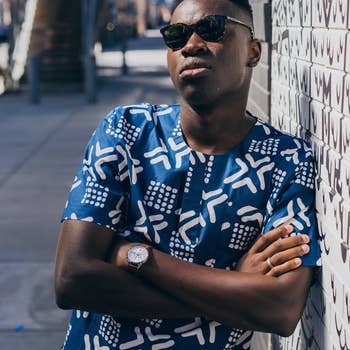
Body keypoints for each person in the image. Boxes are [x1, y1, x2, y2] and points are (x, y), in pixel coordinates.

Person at [54, 0, 321, 349]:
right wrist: (232, 287)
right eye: (176, 36)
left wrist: (141, 259)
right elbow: (72, 280)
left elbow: (281, 309)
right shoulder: (126, 132)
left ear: (253, 52)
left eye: (212, 30)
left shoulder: (287, 160)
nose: (191, 45)